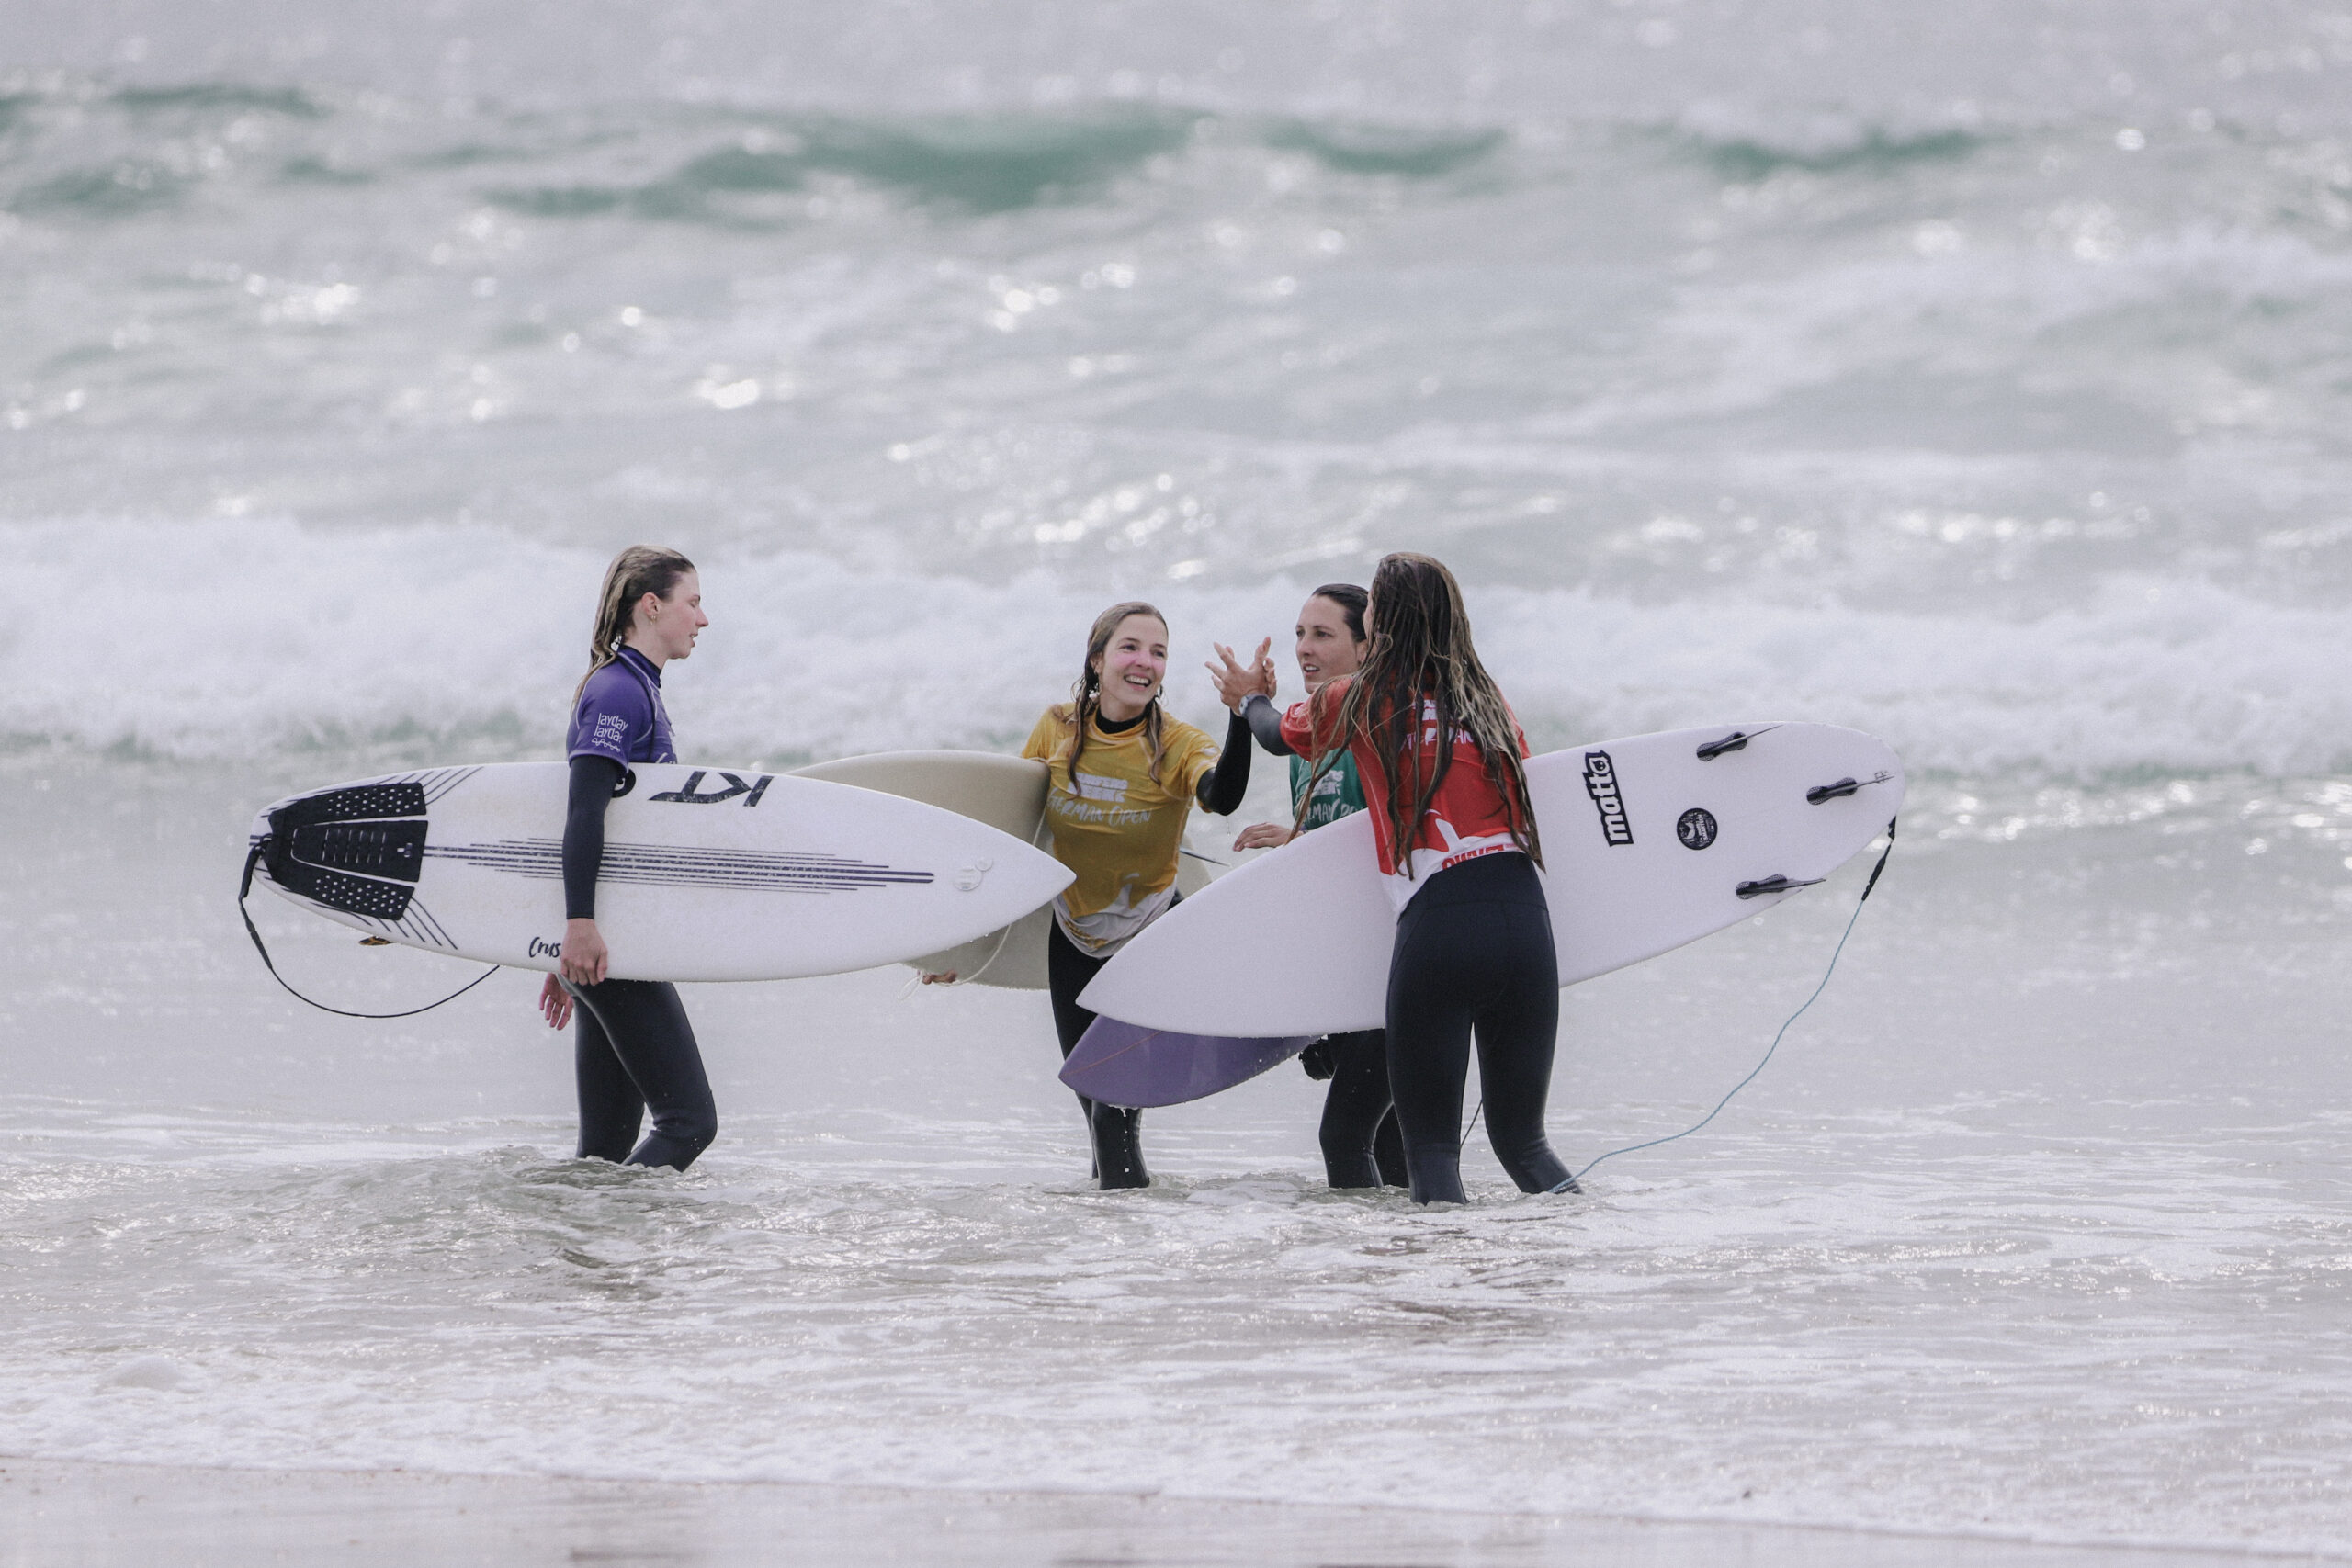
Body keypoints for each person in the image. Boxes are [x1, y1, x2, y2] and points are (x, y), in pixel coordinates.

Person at [1241, 553, 1574, 1204]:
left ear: (1381, 622)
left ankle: (1436, 1300)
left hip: (1440, 927)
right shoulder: (1487, 702)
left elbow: (1276, 734)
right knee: (1524, 1144)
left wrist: (1250, 696)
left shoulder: (1359, 696)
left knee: (1431, 1155)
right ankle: (1588, 1262)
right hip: (1525, 923)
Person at [968, 601, 1254, 1189]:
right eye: (1130, 647)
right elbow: (1015, 838)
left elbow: (1220, 796)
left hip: (1149, 934)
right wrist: (959, 946)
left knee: (1112, 1106)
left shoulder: (1176, 743)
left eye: (1158, 652)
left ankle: (1120, 1248)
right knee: (1091, 1098)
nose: (1144, 663)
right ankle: (1118, 1249)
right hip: (1072, 933)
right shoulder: (1056, 727)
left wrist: (1240, 717)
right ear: (1098, 659)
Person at [1216, 584, 1408, 1190]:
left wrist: (1298, 845)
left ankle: (1358, 1273)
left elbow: (1389, 842)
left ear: (1367, 645)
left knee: (1346, 1135)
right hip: (1347, 965)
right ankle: (1414, 1263)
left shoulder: (1375, 724)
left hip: (1394, 960)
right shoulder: (1306, 742)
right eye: (1300, 633)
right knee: (1388, 1137)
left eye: (1322, 634)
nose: (1304, 647)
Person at [535, 545, 719, 1172]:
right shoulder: (618, 693)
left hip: (612, 942)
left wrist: (570, 947)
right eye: (691, 602)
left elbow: (619, 829)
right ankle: (600, 1244)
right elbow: (583, 812)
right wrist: (577, 924)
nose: (702, 618)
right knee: (689, 1122)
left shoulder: (636, 687)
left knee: (603, 1153)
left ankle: (586, 1254)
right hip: (613, 946)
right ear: (651, 605)